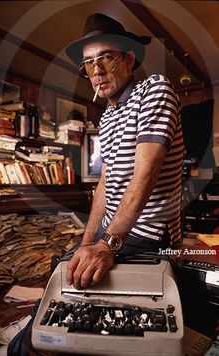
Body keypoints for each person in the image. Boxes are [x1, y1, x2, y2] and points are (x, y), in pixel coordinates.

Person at [64, 13, 184, 290]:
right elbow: (105, 185)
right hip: (114, 229)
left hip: (149, 231)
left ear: (129, 60)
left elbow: (146, 172)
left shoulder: (155, 89)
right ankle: (29, 326)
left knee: (76, 282)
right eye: (89, 63)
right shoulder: (106, 117)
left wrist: (107, 245)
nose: (96, 71)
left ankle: (24, 333)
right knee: (67, 263)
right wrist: (87, 242)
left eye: (106, 58)